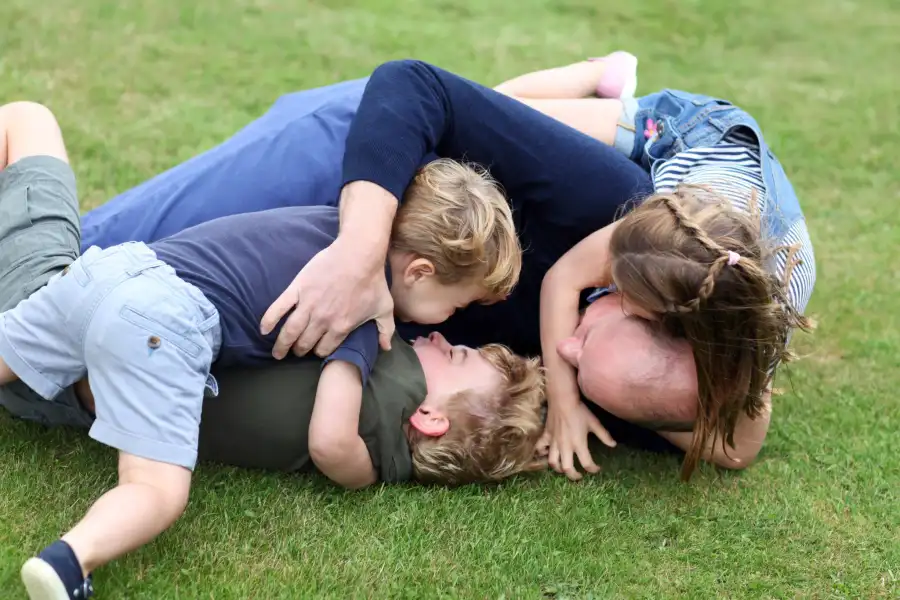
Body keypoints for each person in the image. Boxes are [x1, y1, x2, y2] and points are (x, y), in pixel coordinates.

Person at [0, 103, 525, 600]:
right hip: (162, 321)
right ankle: (71, 560)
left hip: (114, 271)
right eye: (455, 309)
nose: (445, 329)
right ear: (419, 273)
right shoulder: (360, 306)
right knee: (156, 489)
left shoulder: (337, 223)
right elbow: (330, 439)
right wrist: (363, 475)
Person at [494, 54, 816, 478]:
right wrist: (563, 400)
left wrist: (633, 395)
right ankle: (603, 72)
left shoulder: (757, 323)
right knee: (505, 106)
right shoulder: (659, 238)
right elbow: (565, 277)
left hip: (725, 193)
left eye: (624, 297)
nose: (609, 291)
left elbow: (738, 450)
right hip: (686, 132)